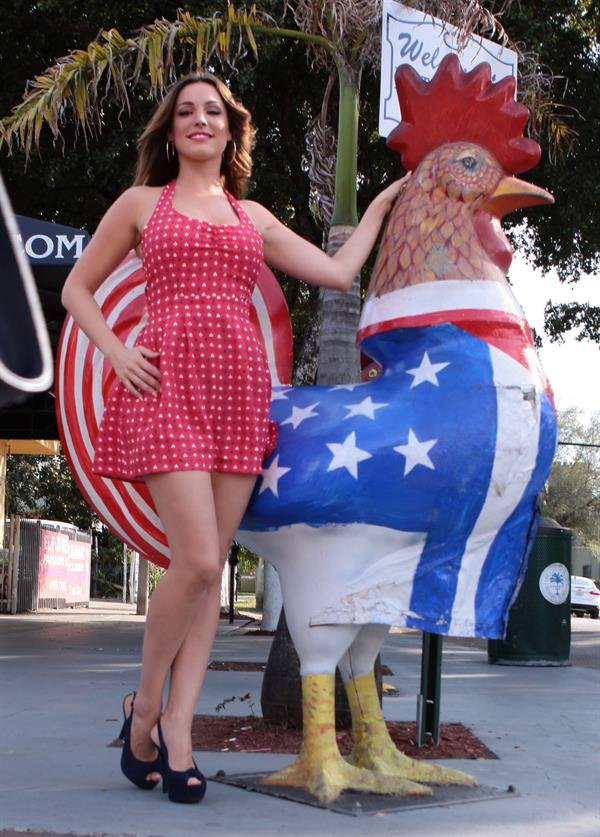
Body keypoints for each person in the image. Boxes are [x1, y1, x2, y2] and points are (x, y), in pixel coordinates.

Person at [61, 71, 409, 805]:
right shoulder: (140, 205)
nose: (198, 120)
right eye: (184, 111)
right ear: (170, 131)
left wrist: (381, 202)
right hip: (168, 392)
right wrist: (117, 350)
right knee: (191, 561)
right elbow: (76, 290)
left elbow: (340, 272)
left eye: (211, 111)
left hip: (240, 397)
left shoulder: (252, 216)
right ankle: (145, 710)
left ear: (229, 130)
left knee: (211, 568)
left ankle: (176, 730)